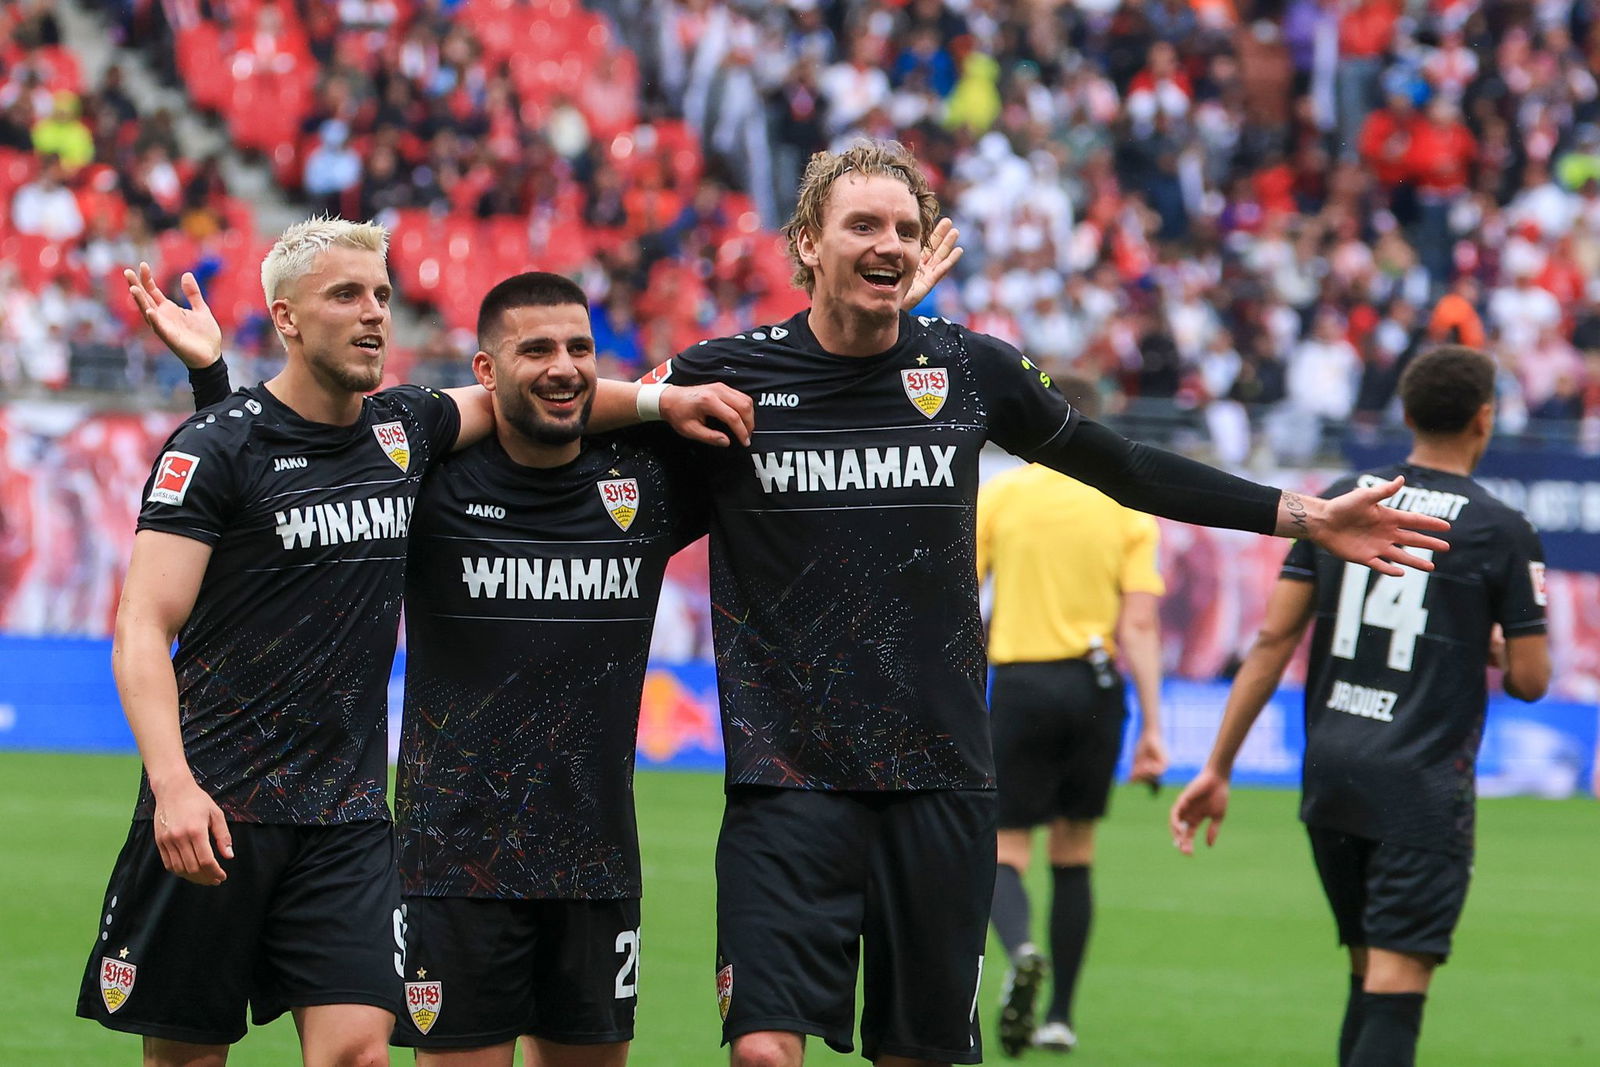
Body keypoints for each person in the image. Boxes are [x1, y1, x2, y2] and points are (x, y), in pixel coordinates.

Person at [637, 139, 1449, 1067]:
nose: (890, 243)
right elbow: (577, 440)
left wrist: (1301, 515)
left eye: (905, 228)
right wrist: (635, 402)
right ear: (805, 243)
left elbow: (1124, 465)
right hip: (787, 783)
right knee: (761, 1053)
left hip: (939, 778)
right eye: (862, 224)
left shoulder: (971, 370)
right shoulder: (727, 377)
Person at [78, 219, 750, 1065]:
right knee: (186, 1058)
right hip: (216, 804)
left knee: (360, 1049)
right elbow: (142, 623)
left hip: (349, 818)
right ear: (285, 317)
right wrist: (171, 785)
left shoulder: (402, 432)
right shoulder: (213, 447)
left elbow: (530, 395)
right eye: (347, 295)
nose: (375, 314)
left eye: (384, 296)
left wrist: (662, 400)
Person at [1170, 345, 1551, 1067]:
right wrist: (1498, 647)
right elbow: (1531, 680)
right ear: (1485, 418)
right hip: (1419, 786)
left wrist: (1217, 766)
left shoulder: (1348, 496)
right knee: (1395, 990)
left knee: (1365, 975)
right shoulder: (1502, 528)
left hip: (1334, 778)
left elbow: (1273, 635)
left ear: (1405, 414)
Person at [975, 377, 1168, 1057]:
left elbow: (960, 596)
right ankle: (1060, 1015)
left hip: (1023, 681)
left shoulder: (1003, 495)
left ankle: (1021, 944)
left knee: (1007, 849)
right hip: (1097, 686)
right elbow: (1139, 624)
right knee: (1075, 852)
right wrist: (1151, 726)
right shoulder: (1125, 507)